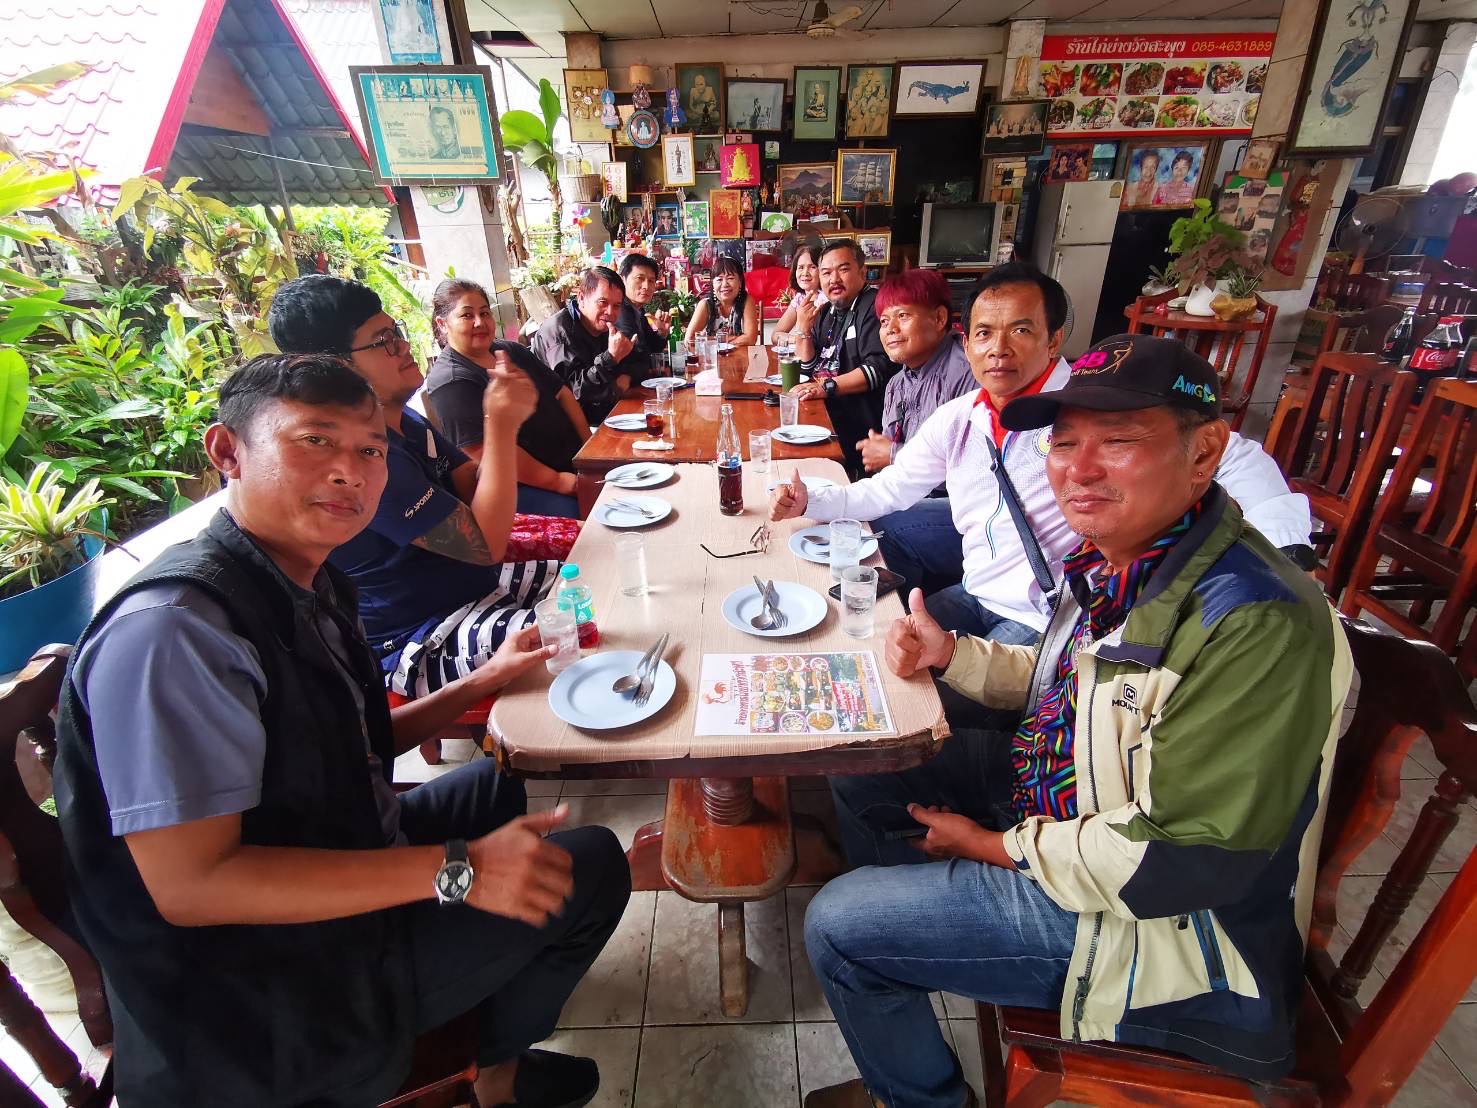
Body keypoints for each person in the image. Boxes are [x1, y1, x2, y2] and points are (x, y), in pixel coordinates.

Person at [54, 353, 632, 1108]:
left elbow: (346, 740)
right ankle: (497, 1082)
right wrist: (457, 870)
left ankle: (489, 1019)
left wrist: (481, 680)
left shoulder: (300, 578)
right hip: (262, 993)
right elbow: (193, 886)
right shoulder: (173, 635)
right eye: (314, 440)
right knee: (593, 863)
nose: (349, 472)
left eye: (369, 450)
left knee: (501, 781)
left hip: (331, 859)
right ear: (227, 450)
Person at [801, 334, 1352, 1108]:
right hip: (1071, 798)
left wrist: (991, 849)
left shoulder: (1255, 620)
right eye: (1062, 443)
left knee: (836, 925)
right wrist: (950, 652)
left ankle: (919, 1072)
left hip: (1160, 932)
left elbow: (1182, 858)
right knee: (866, 762)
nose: (1077, 469)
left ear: (1204, 453)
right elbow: (1070, 679)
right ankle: (929, 941)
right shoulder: (1126, 556)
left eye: (1117, 441)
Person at [769, 263, 1314, 646]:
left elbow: (1235, 456)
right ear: (967, 341)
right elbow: (891, 488)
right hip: (977, 592)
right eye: (984, 333)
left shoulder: (1087, 404)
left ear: (1054, 340)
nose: (998, 349)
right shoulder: (962, 417)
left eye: (1021, 330)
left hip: (1046, 619)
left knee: (927, 700)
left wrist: (1284, 557)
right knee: (880, 648)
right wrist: (810, 500)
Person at [269, 275, 562, 697]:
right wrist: (499, 426)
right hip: (423, 636)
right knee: (584, 629)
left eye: (398, 333)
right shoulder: (359, 457)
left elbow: (472, 483)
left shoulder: (403, 420)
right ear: (335, 366)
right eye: (384, 341)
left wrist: (502, 425)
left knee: (597, 572)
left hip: (477, 587)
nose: (404, 346)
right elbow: (486, 545)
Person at [422, 278, 588, 518]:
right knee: (597, 514)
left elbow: (562, 393)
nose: (480, 322)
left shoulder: (511, 351)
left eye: (484, 313)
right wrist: (559, 481)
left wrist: (587, 452)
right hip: (523, 487)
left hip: (570, 464)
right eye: (467, 315)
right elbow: (480, 451)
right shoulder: (450, 380)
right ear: (442, 324)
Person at [789, 239, 900, 474]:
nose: (834, 279)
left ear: (862, 272)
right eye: (826, 273)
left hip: (863, 427)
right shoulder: (826, 312)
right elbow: (808, 367)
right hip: (827, 416)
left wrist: (826, 387)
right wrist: (803, 329)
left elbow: (878, 369)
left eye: (843, 269)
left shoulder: (874, 306)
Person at [530, 266, 646, 424]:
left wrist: (627, 375)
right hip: (562, 425)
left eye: (616, 306)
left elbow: (639, 362)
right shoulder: (559, 332)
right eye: (602, 302)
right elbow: (575, 392)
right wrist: (610, 358)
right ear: (581, 298)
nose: (610, 312)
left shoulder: (603, 325)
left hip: (603, 414)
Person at [684, 255, 760, 347]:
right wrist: (730, 340)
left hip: (740, 355)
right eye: (719, 279)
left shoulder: (746, 301)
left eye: (730, 278)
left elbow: (750, 339)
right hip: (711, 356)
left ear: (740, 282)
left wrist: (711, 340)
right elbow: (689, 340)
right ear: (713, 283)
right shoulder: (705, 305)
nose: (724, 284)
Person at [616, 253, 674, 357]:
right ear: (622, 280)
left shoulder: (638, 309)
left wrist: (662, 332)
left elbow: (653, 348)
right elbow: (637, 355)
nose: (646, 286)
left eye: (651, 281)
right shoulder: (619, 310)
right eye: (640, 278)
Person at [771, 244, 825, 345]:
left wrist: (800, 339)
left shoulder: (827, 299)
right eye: (800, 267)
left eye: (812, 267)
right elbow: (775, 335)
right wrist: (798, 340)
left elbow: (819, 341)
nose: (805, 273)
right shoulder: (800, 298)